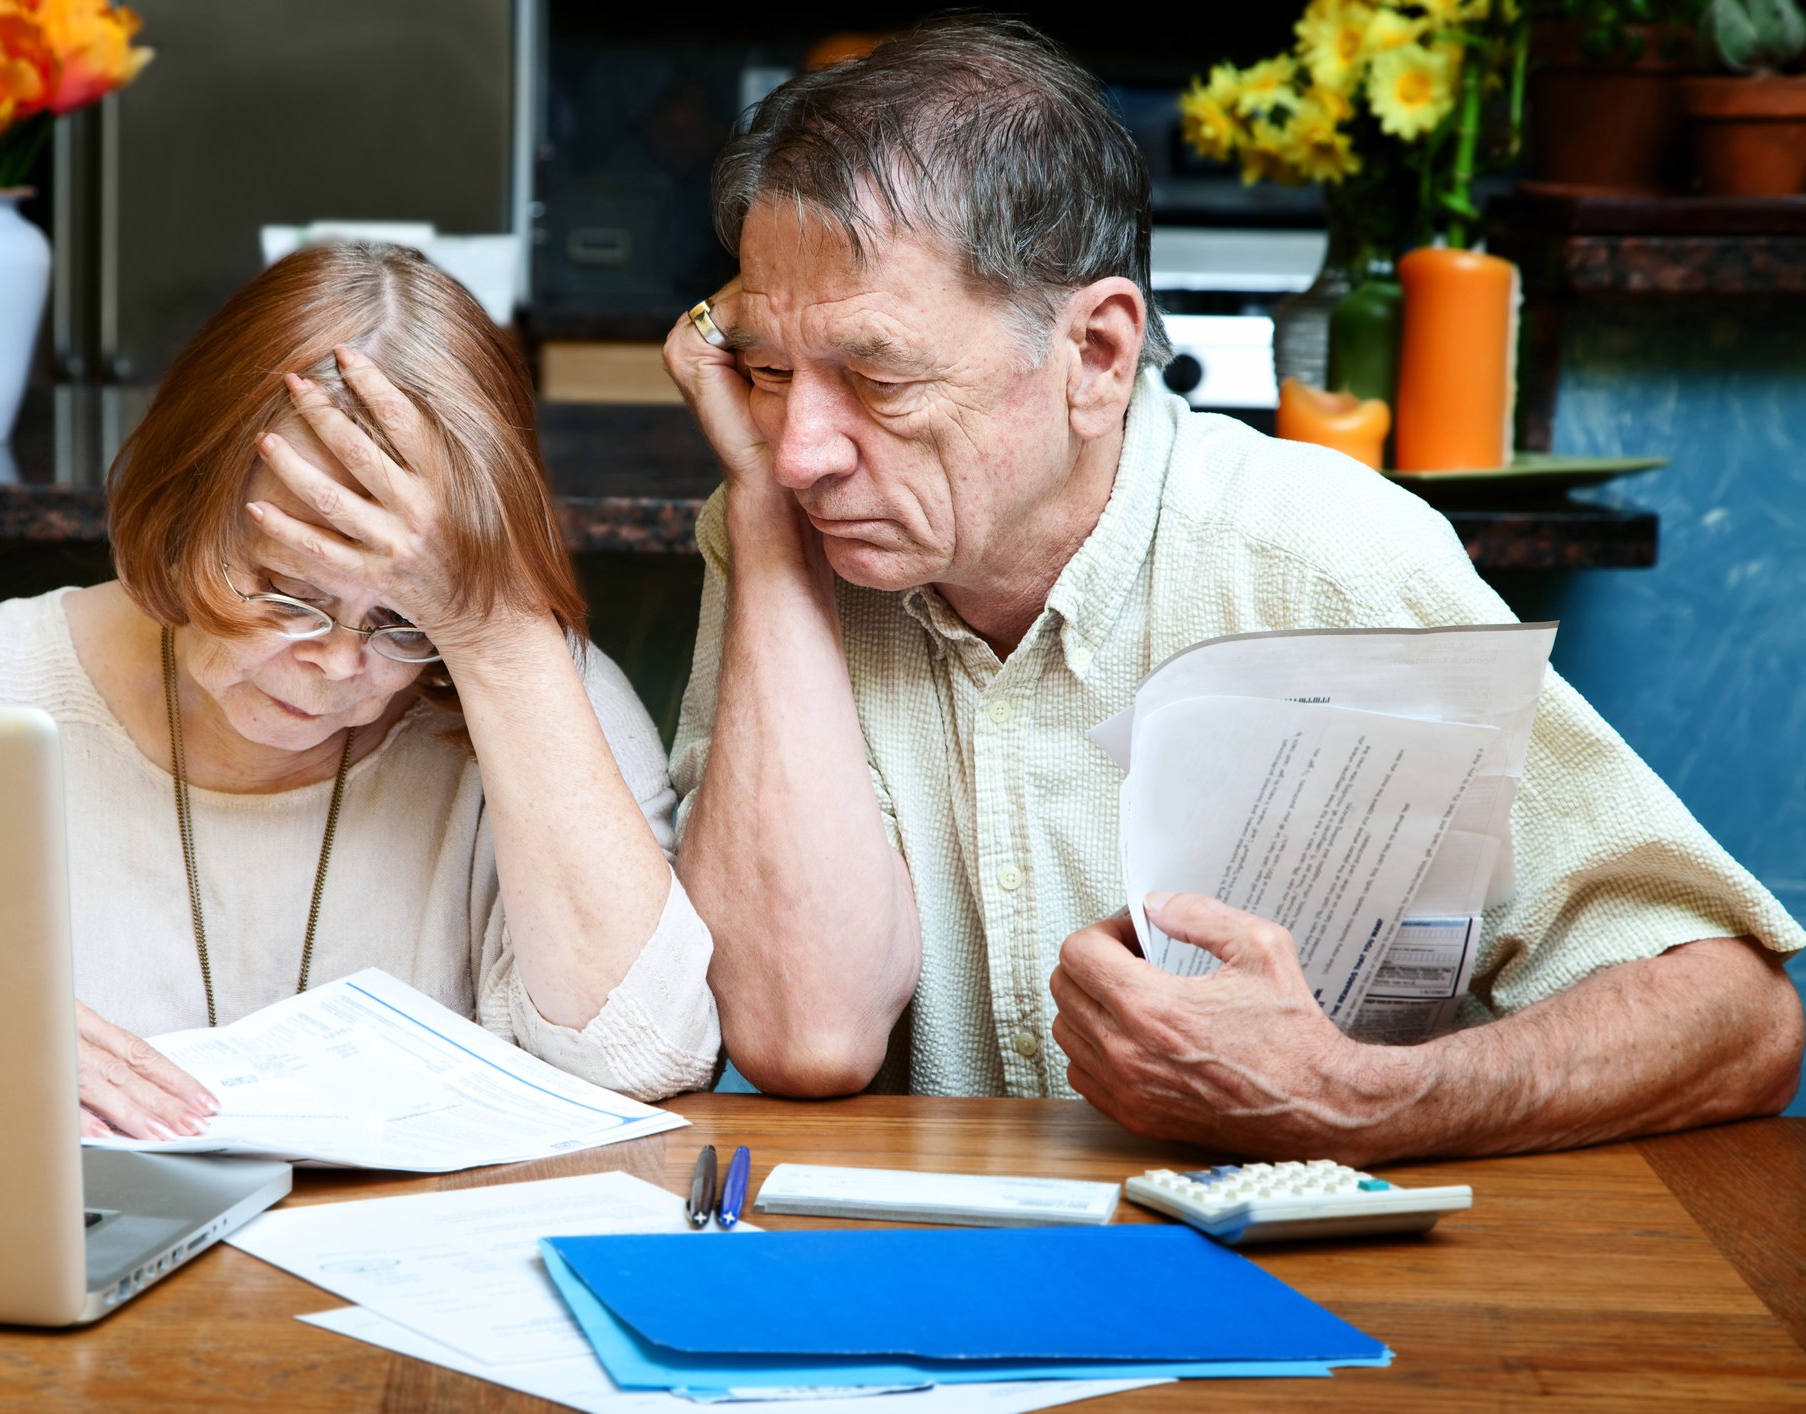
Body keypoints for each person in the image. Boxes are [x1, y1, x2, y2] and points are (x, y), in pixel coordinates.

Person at [662, 16, 1803, 1162]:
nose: (802, 448)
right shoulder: (781, 520)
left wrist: (1362, 1098)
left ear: (1097, 357)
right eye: (766, 370)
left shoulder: (1320, 555)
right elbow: (803, 1033)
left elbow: (1739, 1020)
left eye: (876, 376)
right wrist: (761, 528)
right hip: (956, 1293)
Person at [0, 243, 720, 1132]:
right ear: (180, 513)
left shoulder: (526, 687)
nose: (338, 664)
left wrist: (496, 636)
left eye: (402, 621)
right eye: (288, 594)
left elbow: (643, 1055)